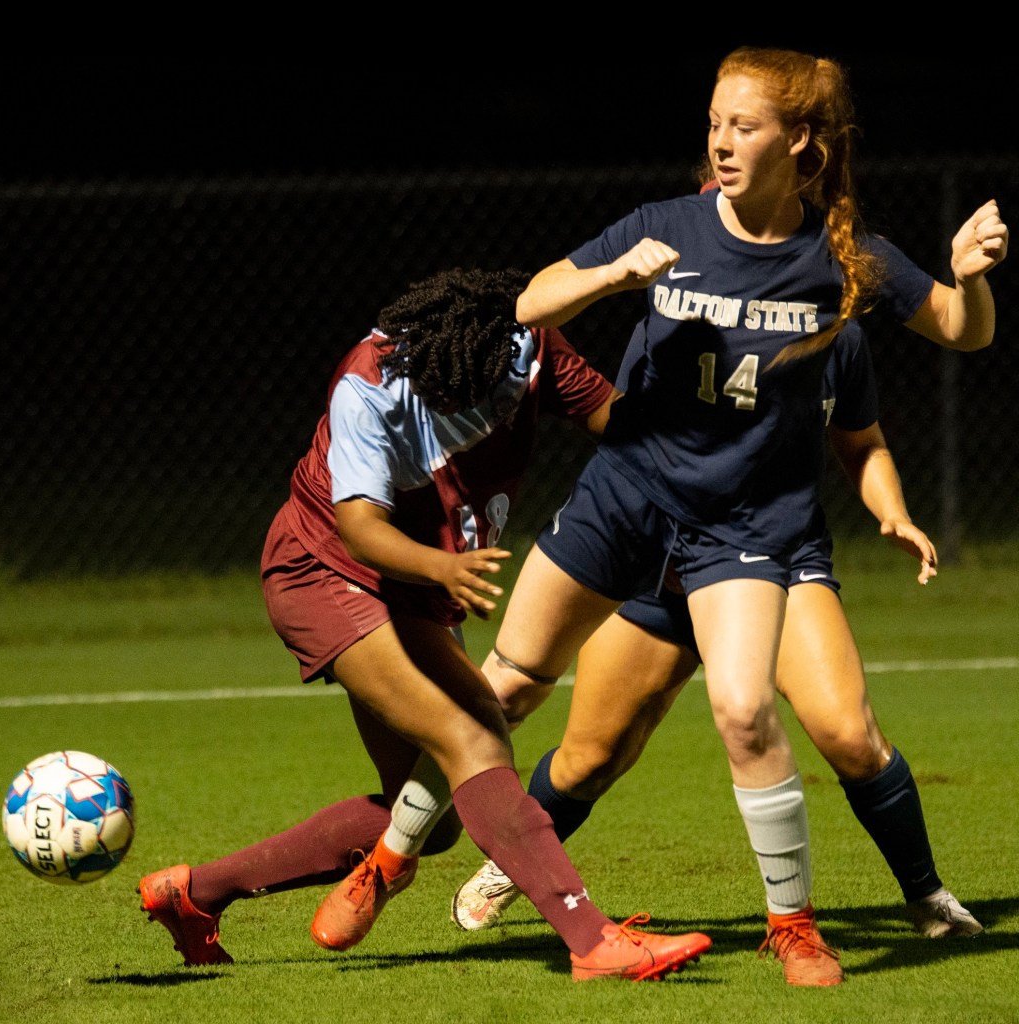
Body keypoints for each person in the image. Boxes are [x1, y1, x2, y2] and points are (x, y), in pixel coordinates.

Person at [348, 47, 1008, 988]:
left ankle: (808, 922)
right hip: (630, 509)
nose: (722, 142)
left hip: (748, 534)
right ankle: (394, 859)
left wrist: (968, 274)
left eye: (744, 126)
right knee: (525, 698)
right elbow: (531, 301)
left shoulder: (841, 261)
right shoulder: (668, 225)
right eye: (714, 124)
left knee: (755, 713)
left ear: (801, 142)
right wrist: (614, 274)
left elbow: (958, 330)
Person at [136, 266, 713, 982]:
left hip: (417, 588)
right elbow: (359, 529)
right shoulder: (370, 387)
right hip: (328, 573)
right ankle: (592, 940)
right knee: (474, 735)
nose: (482, 418)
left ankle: (195, 894)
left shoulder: (524, 348)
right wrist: (442, 569)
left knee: (431, 819)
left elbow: (615, 420)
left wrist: (704, 454)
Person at [450, 317, 983, 953]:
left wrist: (892, 512)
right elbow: (626, 437)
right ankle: (510, 864)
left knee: (848, 732)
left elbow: (861, 440)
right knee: (589, 757)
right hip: (665, 554)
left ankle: (926, 892)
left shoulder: (834, 330)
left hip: (773, 551)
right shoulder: (680, 308)